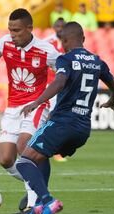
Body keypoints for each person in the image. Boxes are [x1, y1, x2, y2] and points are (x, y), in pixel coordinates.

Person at [15, 22, 114, 214]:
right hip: (82, 130)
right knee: (41, 156)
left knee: (24, 160)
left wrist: (37, 101)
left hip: (62, 123)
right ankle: (39, 204)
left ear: (63, 41)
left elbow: (60, 82)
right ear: (83, 38)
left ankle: (48, 200)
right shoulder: (97, 61)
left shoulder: (66, 59)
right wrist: (111, 102)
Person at [0, 8, 60, 214]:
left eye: (17, 30)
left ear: (29, 28)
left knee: (23, 146)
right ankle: (37, 186)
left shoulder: (47, 50)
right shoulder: (4, 43)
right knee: (6, 160)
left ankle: (34, 202)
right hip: (13, 107)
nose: (12, 35)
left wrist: (52, 103)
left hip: (36, 106)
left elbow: (64, 74)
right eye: (10, 30)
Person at [44, 17, 67, 162]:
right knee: (51, 117)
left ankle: (55, 148)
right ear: (53, 27)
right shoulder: (47, 43)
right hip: (51, 86)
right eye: (57, 26)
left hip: (65, 87)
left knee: (60, 118)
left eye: (62, 26)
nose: (59, 28)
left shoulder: (69, 43)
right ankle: (50, 148)